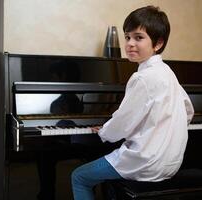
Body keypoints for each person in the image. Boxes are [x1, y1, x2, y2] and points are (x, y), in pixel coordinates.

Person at [71, 5, 194, 200]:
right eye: (127, 37)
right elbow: (188, 111)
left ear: (158, 43)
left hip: (145, 162)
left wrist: (104, 131)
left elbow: (123, 122)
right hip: (171, 162)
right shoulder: (167, 72)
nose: (130, 43)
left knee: (79, 176)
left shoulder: (142, 78)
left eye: (139, 37)